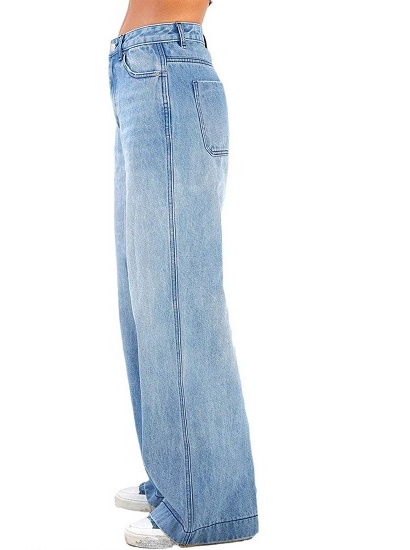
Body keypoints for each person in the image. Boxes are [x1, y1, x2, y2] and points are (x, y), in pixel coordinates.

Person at [108, 1, 258, 547]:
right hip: (140, 72)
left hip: (166, 64)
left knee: (177, 297)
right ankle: (178, 479)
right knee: (145, 298)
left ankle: (208, 505)